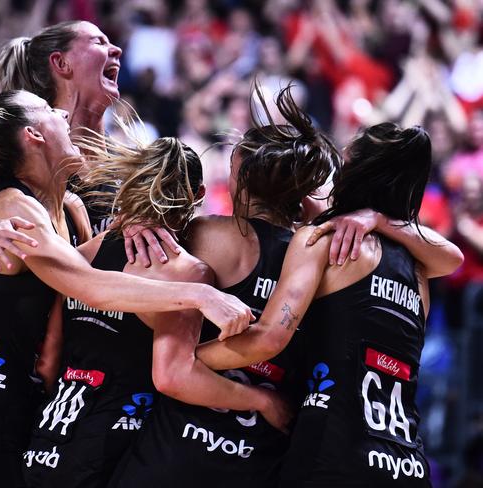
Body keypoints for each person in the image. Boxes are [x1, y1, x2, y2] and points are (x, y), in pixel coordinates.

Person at [0, 80, 254, 488]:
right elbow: (86, 284)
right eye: (49, 110)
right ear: (34, 135)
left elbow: (82, 285)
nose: (62, 114)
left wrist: (137, 218)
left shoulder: (70, 209)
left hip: (40, 419)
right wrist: (201, 294)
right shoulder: (12, 205)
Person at [196, 122, 465, 487]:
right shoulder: (420, 270)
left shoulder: (326, 240)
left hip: (335, 450)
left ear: (356, 168)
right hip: (406, 462)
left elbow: (269, 338)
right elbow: (453, 257)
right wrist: (382, 219)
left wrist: (192, 359)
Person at [22, 125, 290, 488]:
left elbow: (48, 358)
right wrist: (260, 400)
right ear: (197, 196)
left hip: (49, 433)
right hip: (111, 441)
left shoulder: (85, 254)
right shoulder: (187, 270)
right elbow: (173, 376)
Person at [108, 86, 339, 488]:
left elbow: (123, 269)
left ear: (243, 179)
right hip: (258, 460)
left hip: (174, 452)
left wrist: (136, 216)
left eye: (232, 168)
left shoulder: (207, 234)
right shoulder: (322, 257)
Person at [0, 20, 178, 269]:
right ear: (61, 63)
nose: (117, 50)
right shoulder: (34, 147)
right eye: (99, 42)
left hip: (106, 297)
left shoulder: (127, 158)